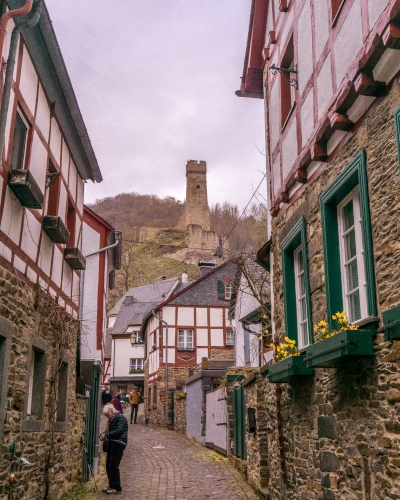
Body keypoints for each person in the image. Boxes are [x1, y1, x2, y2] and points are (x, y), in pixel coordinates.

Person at [100, 403, 128, 495]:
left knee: (113, 465)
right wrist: (103, 434)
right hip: (112, 443)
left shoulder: (121, 418)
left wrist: (107, 435)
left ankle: (117, 487)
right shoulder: (112, 419)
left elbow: (119, 431)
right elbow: (109, 431)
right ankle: (111, 485)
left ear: (111, 411)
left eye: (107, 415)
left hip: (118, 443)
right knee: (108, 465)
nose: (107, 417)